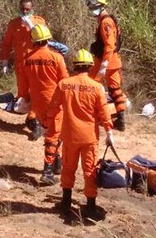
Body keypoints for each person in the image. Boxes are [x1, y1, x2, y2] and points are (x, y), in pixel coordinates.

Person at [45, 49, 114, 217]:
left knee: (68, 168)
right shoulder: (97, 88)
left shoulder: (64, 85)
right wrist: (109, 132)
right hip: (89, 137)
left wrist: (47, 124)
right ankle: (90, 206)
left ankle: (66, 202)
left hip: (69, 136)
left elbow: (53, 107)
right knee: (90, 170)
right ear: (90, 67)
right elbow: (104, 113)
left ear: (74, 66)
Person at [19, 24, 69, 185]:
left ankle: (56, 164)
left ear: (33, 40)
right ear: (48, 39)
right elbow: (64, 82)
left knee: (53, 132)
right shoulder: (56, 58)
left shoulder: (27, 59)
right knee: (54, 135)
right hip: (54, 101)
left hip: (38, 102)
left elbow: (23, 83)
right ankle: (47, 172)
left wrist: (25, 98)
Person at [0, 0, 47, 140]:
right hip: (21, 65)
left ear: (32, 9)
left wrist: (31, 25)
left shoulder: (39, 21)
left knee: (35, 92)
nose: (25, 11)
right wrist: (4, 61)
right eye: (22, 9)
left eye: (27, 9)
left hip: (36, 63)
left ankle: (35, 122)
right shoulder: (14, 24)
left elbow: (45, 40)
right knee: (23, 94)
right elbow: (7, 43)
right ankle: (31, 119)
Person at [86, 0, 127, 132]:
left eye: (93, 7)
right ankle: (121, 120)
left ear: (101, 6)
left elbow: (109, 44)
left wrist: (104, 64)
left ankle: (90, 116)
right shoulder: (107, 20)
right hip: (113, 61)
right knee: (115, 90)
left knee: (90, 86)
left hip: (105, 61)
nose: (91, 10)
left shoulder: (105, 22)